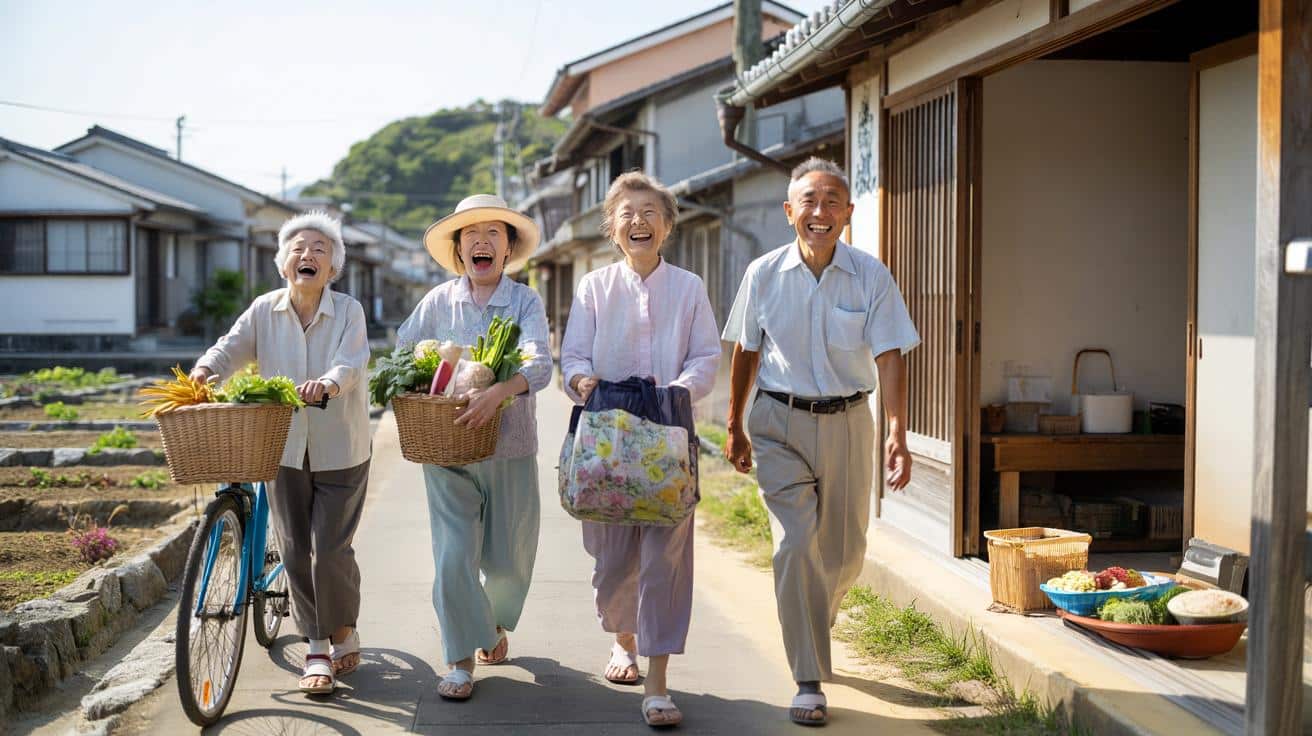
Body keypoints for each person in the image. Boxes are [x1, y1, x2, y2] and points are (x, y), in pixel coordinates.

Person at [721, 158, 919, 726]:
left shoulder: (871, 275)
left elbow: (889, 353)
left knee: (846, 550)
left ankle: (816, 613)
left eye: (832, 201)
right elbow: (746, 351)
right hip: (778, 422)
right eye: (809, 201)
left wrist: (898, 432)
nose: (820, 211)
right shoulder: (762, 273)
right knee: (794, 543)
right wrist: (734, 423)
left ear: (848, 214)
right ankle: (808, 678)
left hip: (850, 421)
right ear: (789, 213)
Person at [561, 172, 721, 728]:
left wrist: (680, 390)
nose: (639, 222)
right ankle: (622, 639)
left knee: (665, 559)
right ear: (611, 227)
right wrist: (581, 382)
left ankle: (657, 681)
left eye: (650, 213)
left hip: (668, 435)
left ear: (668, 225)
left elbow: (706, 357)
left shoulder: (689, 287)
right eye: (628, 213)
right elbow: (574, 355)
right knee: (612, 560)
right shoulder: (593, 287)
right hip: (605, 429)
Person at [190, 211, 372, 695]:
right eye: (298, 247)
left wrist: (329, 384)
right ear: (282, 262)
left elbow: (350, 362)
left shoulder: (348, 311)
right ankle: (316, 645)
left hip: (342, 446)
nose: (307, 254)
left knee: (330, 550)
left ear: (332, 267)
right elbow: (230, 349)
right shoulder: (263, 310)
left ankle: (345, 627)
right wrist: (207, 369)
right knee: (295, 548)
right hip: (284, 447)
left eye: (319, 248)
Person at [396, 194, 552, 701]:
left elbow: (540, 364)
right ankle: (460, 660)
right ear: (459, 250)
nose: (481, 243)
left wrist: (501, 391)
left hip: (510, 446)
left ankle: (494, 623)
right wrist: (420, 381)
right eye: (470, 236)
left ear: (507, 250)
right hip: (447, 449)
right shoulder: (438, 302)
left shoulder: (525, 301)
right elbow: (401, 352)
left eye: (493, 235)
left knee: (509, 562)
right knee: (453, 557)